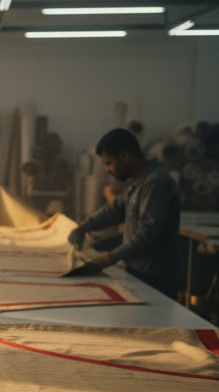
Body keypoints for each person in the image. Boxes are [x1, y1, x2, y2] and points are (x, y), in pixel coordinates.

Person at [67, 128, 182, 299]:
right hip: (139, 274)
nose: (107, 169)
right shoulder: (136, 182)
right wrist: (85, 226)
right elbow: (117, 208)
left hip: (156, 279)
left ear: (124, 156)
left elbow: (149, 231)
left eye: (108, 163)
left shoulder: (156, 182)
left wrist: (110, 258)